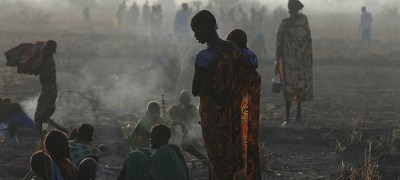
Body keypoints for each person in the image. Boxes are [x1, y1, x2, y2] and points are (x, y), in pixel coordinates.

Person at [191, 10, 253, 179]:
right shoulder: (232, 47)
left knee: (215, 156)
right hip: (232, 111)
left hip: (213, 114)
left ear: (205, 28)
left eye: (196, 31)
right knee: (232, 153)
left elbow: (195, 90)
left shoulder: (203, 57)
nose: (195, 36)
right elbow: (251, 64)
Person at [275, 0, 313, 126]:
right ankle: (287, 118)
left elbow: (307, 41)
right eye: (288, 7)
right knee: (287, 89)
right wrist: (277, 61)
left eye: (291, 7)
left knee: (299, 88)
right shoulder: (284, 23)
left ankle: (298, 116)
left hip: (300, 62)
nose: (289, 10)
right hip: (286, 62)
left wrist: (306, 59)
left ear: (296, 8)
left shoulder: (303, 21)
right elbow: (279, 43)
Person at [118, 124, 189, 180]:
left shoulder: (164, 153)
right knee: (142, 152)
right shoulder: (170, 150)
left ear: (163, 138)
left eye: (153, 137)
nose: (150, 140)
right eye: (150, 137)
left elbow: (153, 173)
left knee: (134, 157)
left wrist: (135, 163)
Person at [34, 40, 68, 133]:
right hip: (48, 91)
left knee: (39, 117)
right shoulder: (47, 61)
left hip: (49, 91)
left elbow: (47, 77)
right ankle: (62, 130)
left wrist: (37, 67)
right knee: (41, 117)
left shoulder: (49, 62)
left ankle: (39, 134)